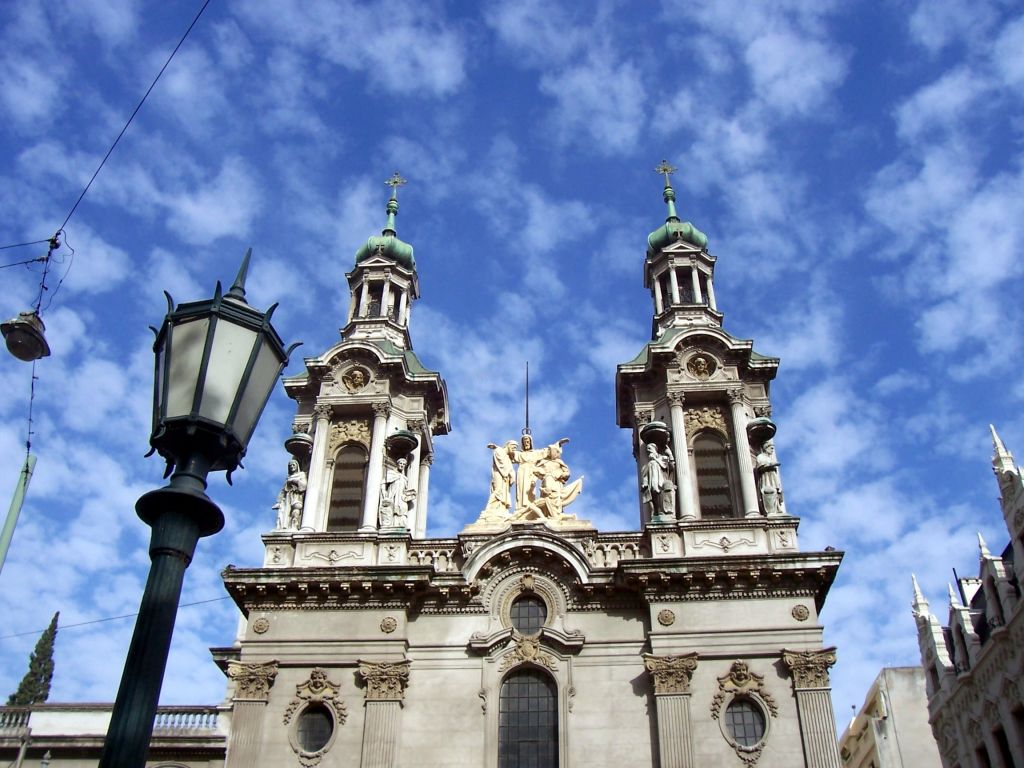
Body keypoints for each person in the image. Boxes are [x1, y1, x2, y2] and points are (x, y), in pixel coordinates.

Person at [513, 434, 569, 511]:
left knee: (530, 489)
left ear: (531, 443)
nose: (526, 443)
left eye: (528, 441)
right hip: (521, 472)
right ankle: (520, 508)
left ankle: (529, 507)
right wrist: (497, 449)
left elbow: (548, 451)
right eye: (525, 442)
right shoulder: (519, 454)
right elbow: (508, 453)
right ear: (522, 443)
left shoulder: (536, 453)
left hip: (531, 472)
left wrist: (558, 443)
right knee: (520, 490)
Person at [641, 443, 676, 519]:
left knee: (661, 494)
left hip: (661, 482)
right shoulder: (648, 464)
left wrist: (670, 454)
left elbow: (672, 466)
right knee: (653, 497)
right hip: (652, 483)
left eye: (650, 449)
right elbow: (645, 475)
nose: (648, 451)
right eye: (647, 450)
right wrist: (645, 483)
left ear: (655, 450)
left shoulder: (662, 458)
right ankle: (656, 513)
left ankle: (663, 511)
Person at [483, 440, 517, 517]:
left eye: (516, 448)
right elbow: (501, 463)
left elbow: (510, 467)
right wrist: (508, 473)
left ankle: (501, 509)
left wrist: (512, 474)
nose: (514, 449)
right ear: (508, 445)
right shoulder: (499, 451)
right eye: (513, 447)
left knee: (503, 493)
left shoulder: (506, 456)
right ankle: (489, 510)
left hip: (505, 476)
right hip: (499, 474)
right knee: (498, 491)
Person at [273, 459, 307, 529]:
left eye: (293, 465)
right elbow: (283, 491)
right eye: (290, 465)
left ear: (297, 466)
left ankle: (294, 525)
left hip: (296, 496)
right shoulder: (288, 478)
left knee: (295, 511)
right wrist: (278, 502)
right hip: (288, 497)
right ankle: (285, 526)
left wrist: (294, 480)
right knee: (285, 513)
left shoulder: (301, 474)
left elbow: (303, 486)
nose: (292, 466)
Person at [380, 457, 414, 527]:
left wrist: (410, 494)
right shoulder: (391, 473)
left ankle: (400, 525)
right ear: (397, 464)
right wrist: (384, 493)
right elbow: (383, 483)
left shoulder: (405, 478)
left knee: (403, 514)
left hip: (401, 499)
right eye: (401, 463)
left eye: (404, 464)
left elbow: (404, 490)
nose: (402, 465)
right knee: (392, 512)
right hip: (392, 497)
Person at [755, 441, 784, 515]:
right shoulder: (761, 456)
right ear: (766, 448)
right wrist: (771, 464)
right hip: (766, 477)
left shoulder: (769, 458)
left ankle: (777, 508)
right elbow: (760, 466)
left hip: (772, 477)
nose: (772, 450)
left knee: (776, 492)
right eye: (771, 448)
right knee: (769, 491)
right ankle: (770, 511)